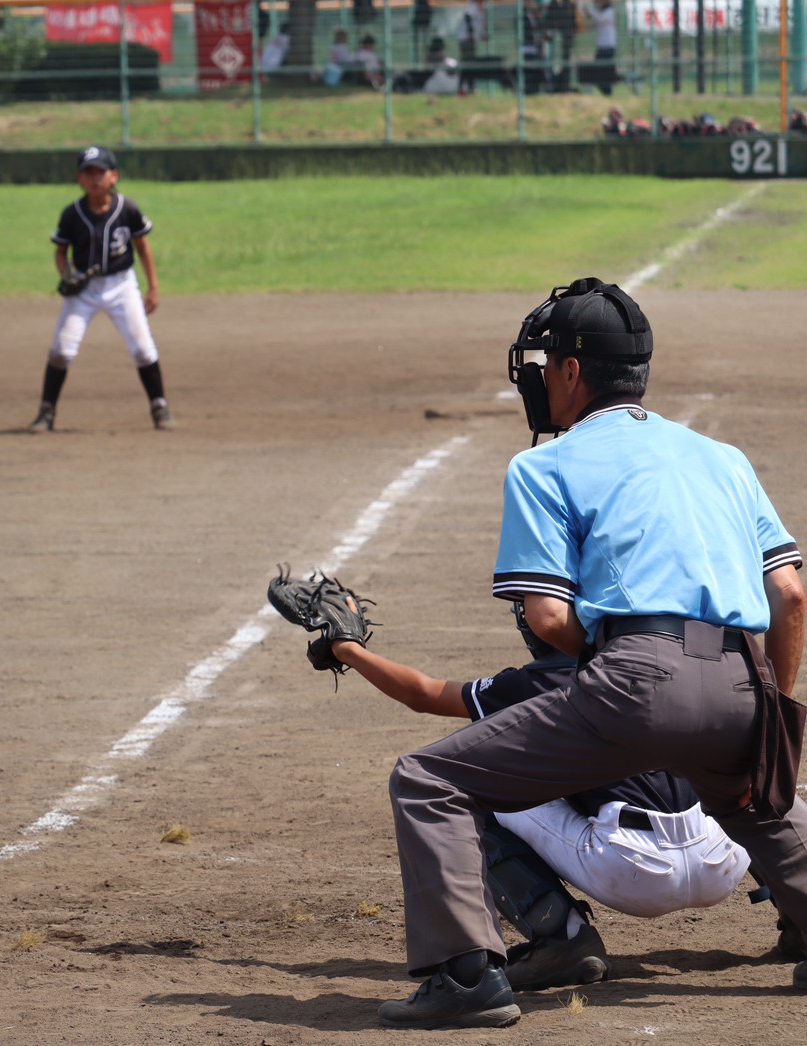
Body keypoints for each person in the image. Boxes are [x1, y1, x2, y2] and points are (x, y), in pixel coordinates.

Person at [378, 277, 806, 1029]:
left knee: (430, 780)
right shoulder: (723, 457)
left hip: (634, 679)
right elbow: (792, 597)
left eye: (545, 364)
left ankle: (466, 977)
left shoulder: (545, 466)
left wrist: (620, 657)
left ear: (573, 372)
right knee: (751, 800)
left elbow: (546, 616)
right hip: (743, 677)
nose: (541, 379)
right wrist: (767, 705)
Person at [320, 600, 786, 991]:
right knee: (746, 774)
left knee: (466, 788)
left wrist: (350, 650)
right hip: (725, 857)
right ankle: (797, 914)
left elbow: (423, 693)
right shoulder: (668, 668)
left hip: (630, 869)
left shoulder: (528, 684)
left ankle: (562, 936)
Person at [30, 146, 170, 433]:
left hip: (122, 285)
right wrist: (66, 274)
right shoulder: (72, 213)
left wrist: (153, 287)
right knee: (61, 350)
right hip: (83, 289)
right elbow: (60, 251)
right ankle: (46, 412)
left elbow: (143, 247)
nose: (95, 179)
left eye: (100, 172)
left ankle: (160, 406)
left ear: (113, 176)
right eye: (88, 172)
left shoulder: (127, 209)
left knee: (143, 349)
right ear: (79, 178)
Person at [581, 0, 617, 96]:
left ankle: (607, 92)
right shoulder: (603, 13)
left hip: (608, 47)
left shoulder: (609, 12)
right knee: (598, 70)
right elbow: (597, 24)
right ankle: (603, 91)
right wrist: (585, 27)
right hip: (602, 47)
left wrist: (591, 11)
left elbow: (600, 20)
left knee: (604, 71)